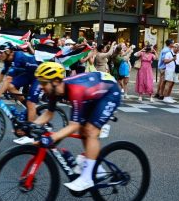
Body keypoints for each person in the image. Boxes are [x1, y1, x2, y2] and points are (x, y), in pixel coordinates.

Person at [31, 61, 122, 192]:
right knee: (83, 130)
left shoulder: (75, 90)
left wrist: (52, 138)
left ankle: (87, 178)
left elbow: (73, 125)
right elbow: (48, 114)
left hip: (110, 93)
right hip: (93, 95)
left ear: (56, 81)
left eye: (44, 83)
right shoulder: (54, 90)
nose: (41, 86)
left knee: (91, 131)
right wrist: (29, 125)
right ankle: (97, 168)